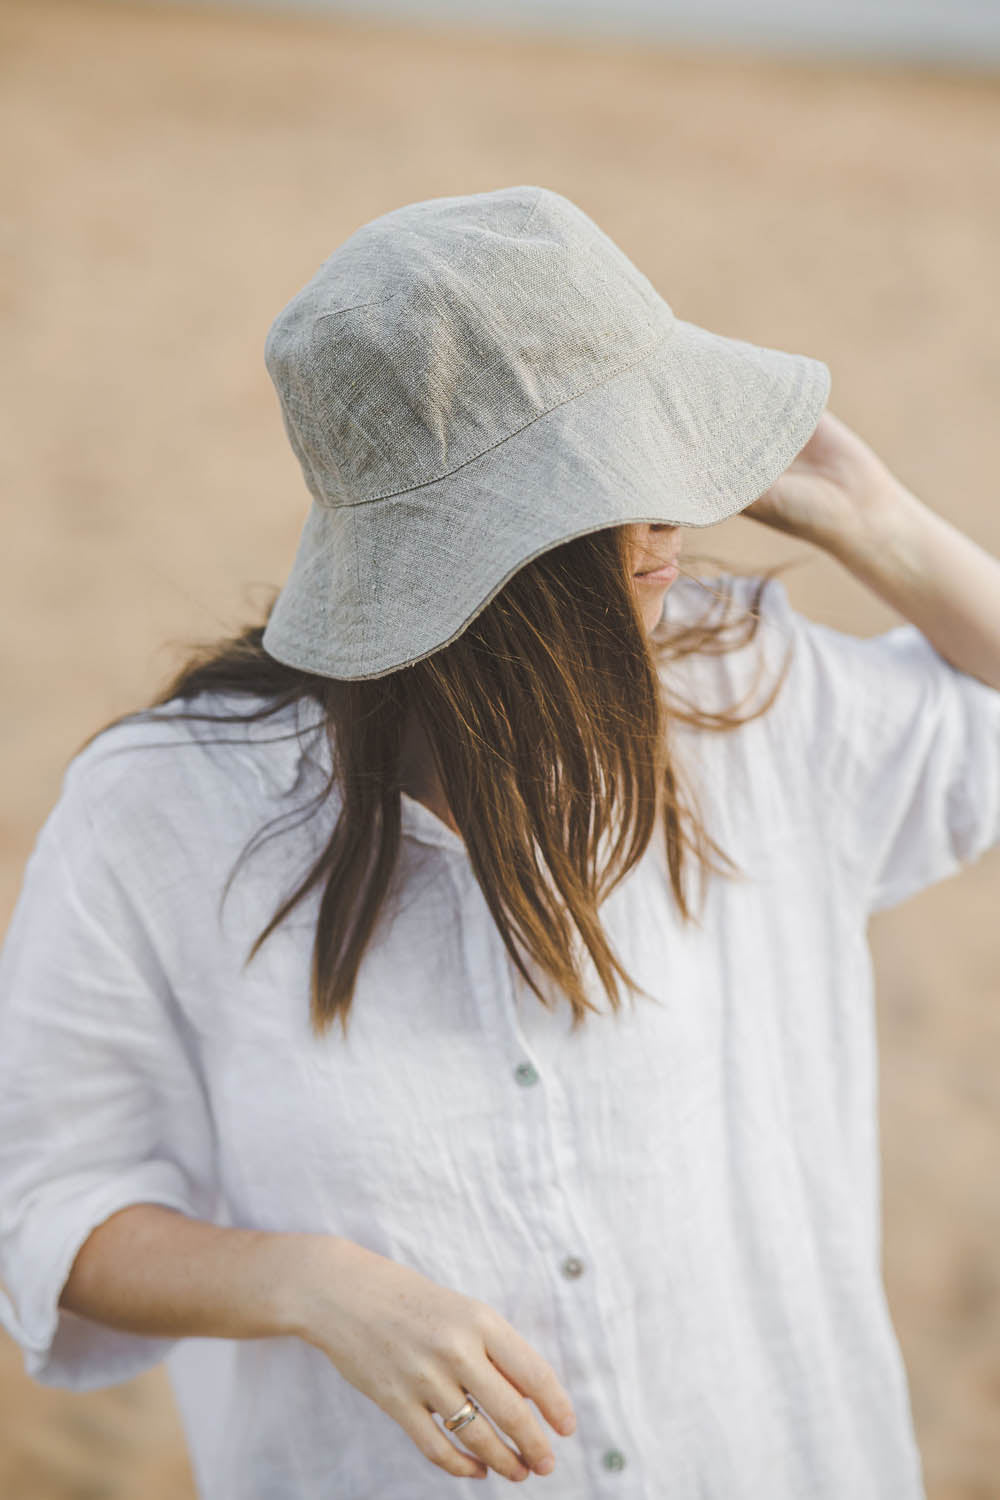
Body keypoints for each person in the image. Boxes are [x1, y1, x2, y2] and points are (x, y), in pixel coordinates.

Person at [1, 186, 999, 1500]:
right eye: (610, 480)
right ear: (482, 560)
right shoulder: (163, 814)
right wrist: (311, 1286)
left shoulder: (744, 691)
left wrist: (888, 527)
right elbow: (46, 1205)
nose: (672, 521)